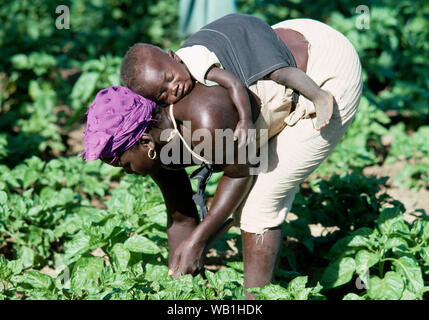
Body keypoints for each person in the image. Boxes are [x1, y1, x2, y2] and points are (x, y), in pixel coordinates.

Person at [83, 18, 362, 299]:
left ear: (144, 144)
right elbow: (181, 219)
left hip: (320, 66)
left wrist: (200, 240)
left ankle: (256, 301)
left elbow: (242, 172)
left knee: (257, 206)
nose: (126, 172)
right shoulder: (155, 133)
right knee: (248, 170)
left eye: (124, 165)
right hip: (272, 45)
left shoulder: (204, 118)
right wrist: (181, 283)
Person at [120, 14, 334, 148]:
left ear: (173, 56)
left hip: (245, 33)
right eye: (163, 93)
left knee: (276, 72)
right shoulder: (178, 76)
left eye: (169, 78)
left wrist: (245, 120)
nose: (173, 88)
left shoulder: (196, 63)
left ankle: (319, 96)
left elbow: (234, 84)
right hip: (231, 31)